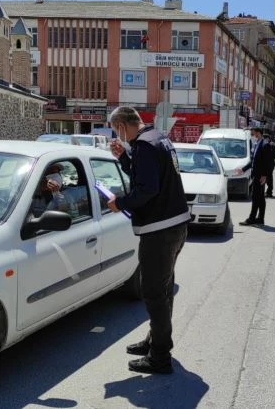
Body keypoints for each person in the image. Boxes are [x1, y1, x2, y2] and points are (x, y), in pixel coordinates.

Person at [106, 106, 189, 375]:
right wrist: (124, 159)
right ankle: (155, 341)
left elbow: (147, 189)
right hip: (174, 225)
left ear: (122, 125)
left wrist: (120, 203)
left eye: (115, 130)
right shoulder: (158, 138)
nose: (117, 136)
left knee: (154, 293)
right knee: (162, 290)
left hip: (160, 230)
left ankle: (160, 356)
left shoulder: (144, 145)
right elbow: (147, 176)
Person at [236, 127, 274, 225]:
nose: (253, 135)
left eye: (254, 133)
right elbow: (253, 161)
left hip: (260, 176)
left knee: (255, 197)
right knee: (260, 197)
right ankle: (260, 219)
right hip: (256, 174)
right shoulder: (257, 144)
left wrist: (265, 175)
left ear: (258, 133)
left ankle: (251, 219)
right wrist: (243, 169)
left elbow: (269, 162)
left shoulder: (265, 145)